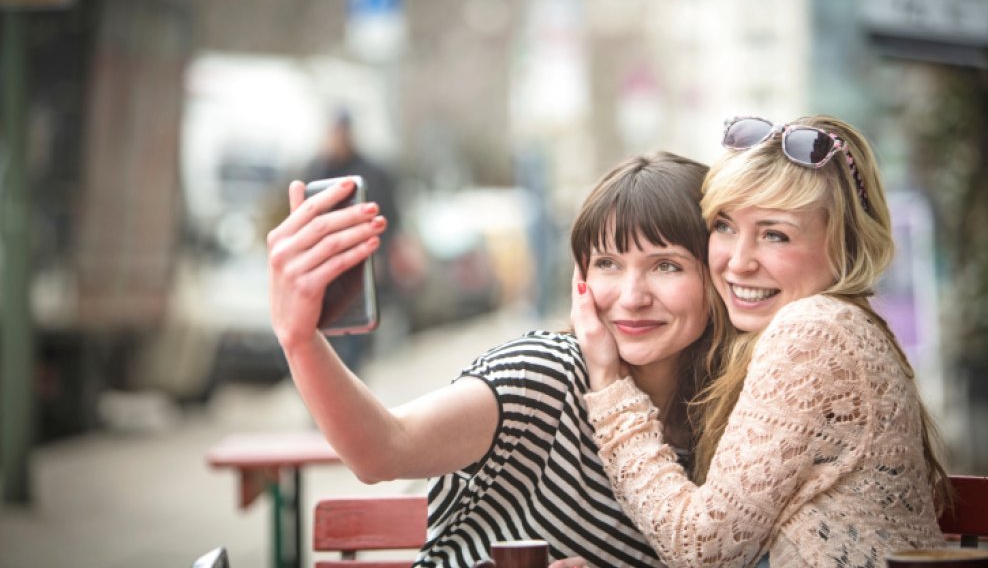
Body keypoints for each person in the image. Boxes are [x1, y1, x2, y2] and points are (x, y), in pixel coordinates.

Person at [266, 151, 726, 568]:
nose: (631, 296)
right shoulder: (545, 374)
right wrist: (300, 341)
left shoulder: (738, 424)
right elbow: (384, 449)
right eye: (608, 263)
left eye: (667, 265)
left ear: (716, 275)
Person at [566, 115, 950, 568]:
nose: (738, 262)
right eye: (725, 227)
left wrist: (609, 382)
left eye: (774, 234)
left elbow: (702, 547)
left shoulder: (815, 331)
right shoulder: (843, 327)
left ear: (843, 246)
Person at [304, 107, 403, 372]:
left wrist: (383, 258)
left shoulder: (373, 172)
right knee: (322, 350)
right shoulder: (316, 168)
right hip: (325, 272)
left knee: (354, 350)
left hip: (362, 269)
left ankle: (348, 403)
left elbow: (391, 218)